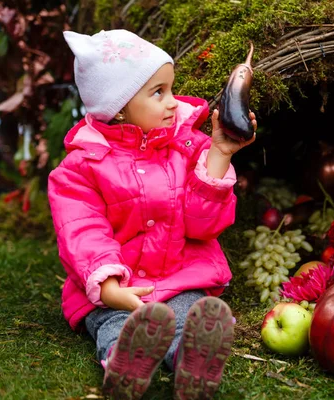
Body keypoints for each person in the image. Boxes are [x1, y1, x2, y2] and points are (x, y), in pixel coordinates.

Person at [48, 29, 256, 400]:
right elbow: (83, 230)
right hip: (118, 287)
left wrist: (220, 154)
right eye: (158, 92)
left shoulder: (188, 147)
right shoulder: (82, 167)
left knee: (187, 315)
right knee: (116, 324)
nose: (174, 103)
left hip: (178, 275)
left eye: (172, 89)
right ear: (119, 105)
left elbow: (202, 224)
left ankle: (193, 362)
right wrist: (110, 288)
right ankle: (123, 362)